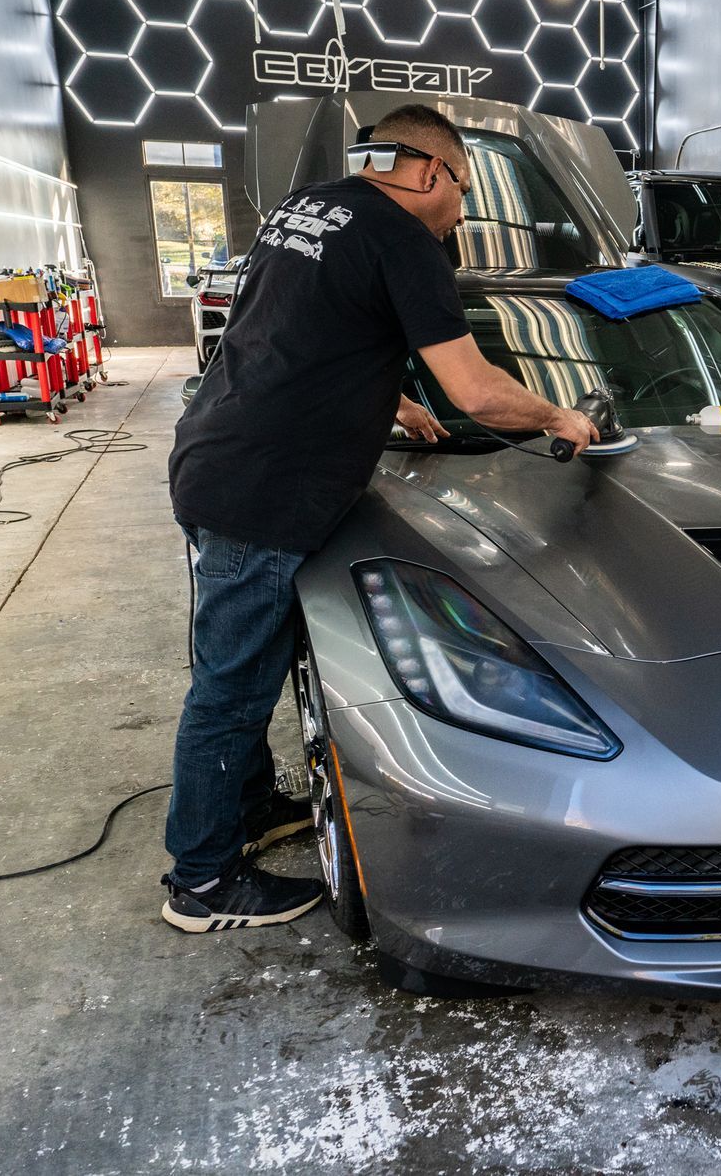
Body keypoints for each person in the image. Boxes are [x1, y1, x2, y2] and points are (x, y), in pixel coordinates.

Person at [162, 104, 598, 934]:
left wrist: (384, 393)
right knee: (231, 687)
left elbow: (291, 330)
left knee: (245, 655)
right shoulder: (405, 240)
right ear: (431, 171)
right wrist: (556, 418)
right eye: (464, 190)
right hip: (264, 488)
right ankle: (202, 880)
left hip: (213, 457)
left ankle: (247, 807)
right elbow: (475, 391)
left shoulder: (307, 210)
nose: (462, 211)